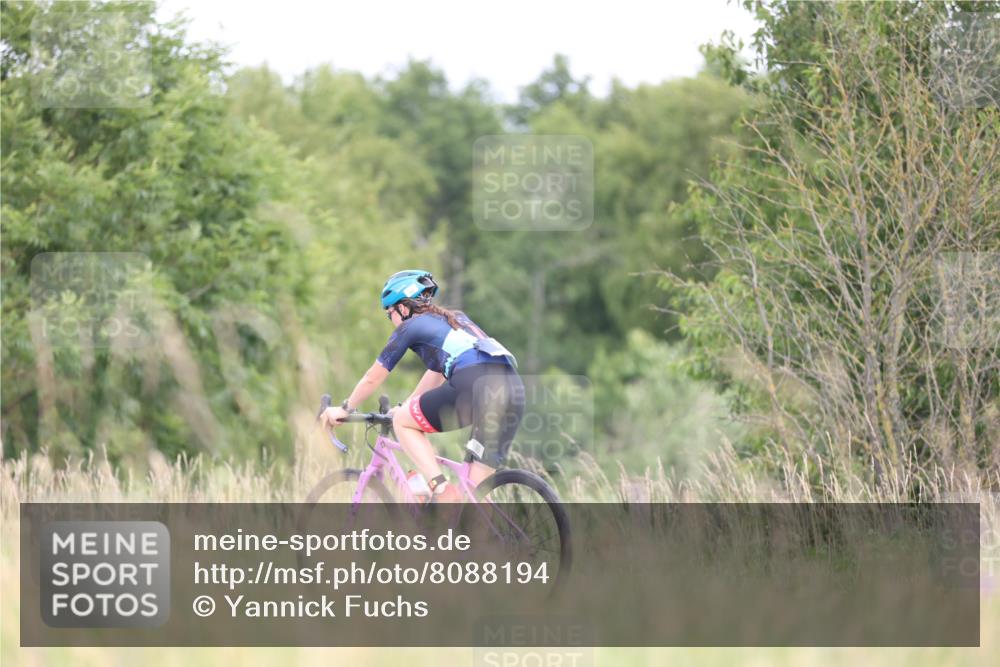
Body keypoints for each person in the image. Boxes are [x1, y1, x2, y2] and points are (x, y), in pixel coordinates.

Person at [320, 270, 525, 502]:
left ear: (403, 308)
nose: (392, 320)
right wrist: (408, 406)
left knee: (401, 423)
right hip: (513, 389)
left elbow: (372, 378)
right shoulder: (455, 320)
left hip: (474, 384)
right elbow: (436, 371)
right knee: (473, 498)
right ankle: (494, 537)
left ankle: (440, 488)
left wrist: (345, 408)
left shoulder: (411, 326)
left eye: (390, 313)